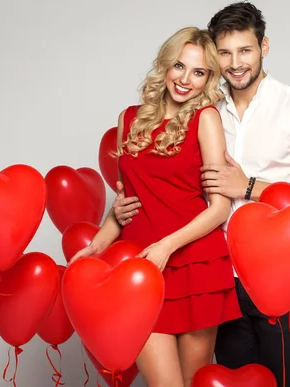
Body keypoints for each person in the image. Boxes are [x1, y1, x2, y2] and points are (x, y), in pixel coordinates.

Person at [112, 2, 290, 386]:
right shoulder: (201, 105)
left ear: (264, 47)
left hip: (276, 279)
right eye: (226, 53)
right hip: (217, 274)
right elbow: (167, 176)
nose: (236, 63)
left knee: (280, 381)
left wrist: (248, 187)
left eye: (245, 50)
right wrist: (124, 203)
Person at [70, 26, 242, 387]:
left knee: (195, 382)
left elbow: (219, 208)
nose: (185, 80)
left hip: (195, 264)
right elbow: (126, 204)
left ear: (208, 78)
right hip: (139, 267)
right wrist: (96, 246)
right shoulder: (128, 119)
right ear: (165, 65)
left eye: (199, 72)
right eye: (179, 66)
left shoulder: (206, 118)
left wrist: (166, 246)